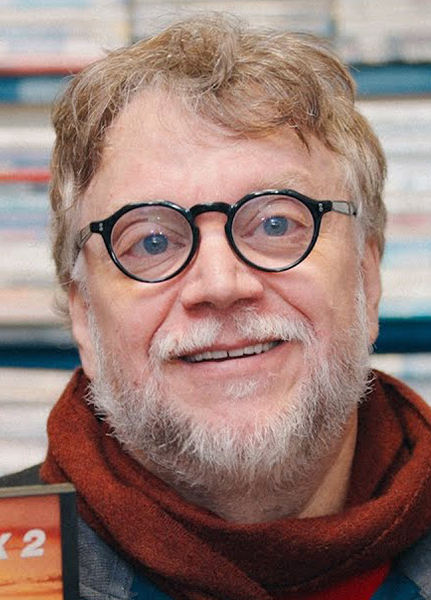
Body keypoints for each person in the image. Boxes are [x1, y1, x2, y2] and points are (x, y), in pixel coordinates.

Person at [2, 12, 431, 600]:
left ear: (366, 275)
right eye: (152, 241)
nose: (220, 283)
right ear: (84, 317)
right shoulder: (15, 566)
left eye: (276, 224)